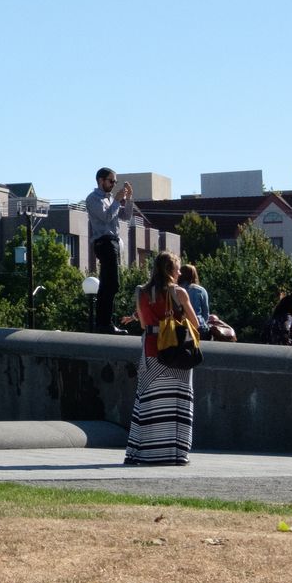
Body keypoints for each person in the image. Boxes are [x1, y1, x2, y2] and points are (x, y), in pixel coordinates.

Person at [123, 252, 199, 467]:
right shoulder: (179, 292)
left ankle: (144, 453)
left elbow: (142, 324)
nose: (179, 273)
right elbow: (195, 323)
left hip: (151, 352)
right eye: (177, 269)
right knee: (177, 403)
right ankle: (175, 454)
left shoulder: (141, 292)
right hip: (177, 353)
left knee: (147, 401)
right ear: (170, 270)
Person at [84, 169, 138, 334]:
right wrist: (116, 200)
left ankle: (104, 323)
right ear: (101, 181)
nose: (114, 184)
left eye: (115, 182)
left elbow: (126, 216)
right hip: (104, 242)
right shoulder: (93, 198)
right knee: (111, 283)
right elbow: (106, 217)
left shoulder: (111, 199)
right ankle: (104, 323)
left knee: (109, 283)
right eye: (111, 181)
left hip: (113, 242)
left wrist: (128, 199)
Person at [177, 264, 236, 342]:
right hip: (199, 327)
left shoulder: (176, 290)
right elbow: (205, 315)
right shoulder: (200, 290)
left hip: (180, 327)